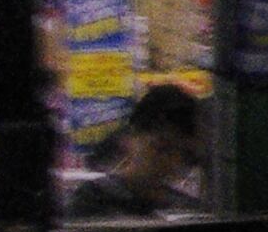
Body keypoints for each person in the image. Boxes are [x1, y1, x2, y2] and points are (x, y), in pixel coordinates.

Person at [65, 83, 200, 221]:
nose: (172, 163)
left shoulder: (185, 208)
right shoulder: (92, 200)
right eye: (162, 148)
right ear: (132, 137)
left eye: (184, 155)